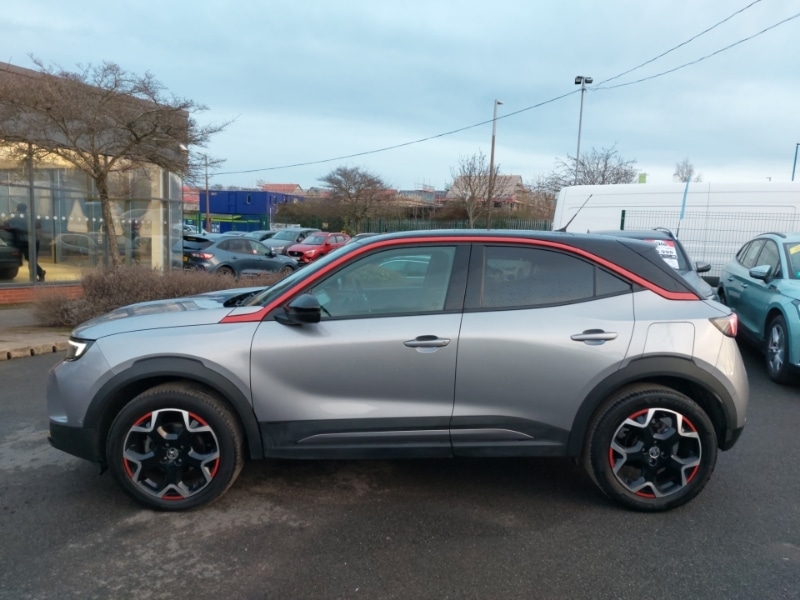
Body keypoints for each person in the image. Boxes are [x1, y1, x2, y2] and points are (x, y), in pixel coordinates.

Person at [8, 203, 45, 281]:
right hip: (34, 241)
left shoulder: (15, 218)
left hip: (24, 242)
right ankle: (35, 277)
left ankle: (39, 273)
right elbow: (38, 226)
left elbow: (6, 224)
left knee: (30, 260)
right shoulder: (31, 217)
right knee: (32, 260)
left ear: (17, 209)